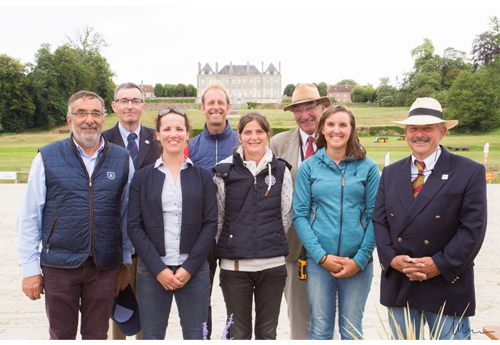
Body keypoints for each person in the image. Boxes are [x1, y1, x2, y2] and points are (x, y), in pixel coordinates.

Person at [16, 90, 134, 339]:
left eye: (95, 113)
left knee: (97, 336)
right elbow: (30, 216)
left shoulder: (122, 159)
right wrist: (29, 268)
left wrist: (124, 262)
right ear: (69, 120)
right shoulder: (47, 157)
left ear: (104, 118)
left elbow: (126, 215)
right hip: (59, 265)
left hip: (104, 266)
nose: (89, 119)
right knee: (61, 335)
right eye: (81, 113)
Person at [372, 97, 487, 340]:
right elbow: (380, 221)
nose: (420, 134)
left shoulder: (469, 171)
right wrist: (392, 260)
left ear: (442, 132)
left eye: (428, 128)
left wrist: (439, 265)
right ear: (405, 132)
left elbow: (472, 229)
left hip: (446, 281)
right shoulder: (391, 173)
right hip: (401, 281)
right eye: (413, 128)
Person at [127, 107, 218, 339]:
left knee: (197, 336)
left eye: (179, 128)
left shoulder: (203, 176)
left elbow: (210, 224)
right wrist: (159, 269)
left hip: (194, 271)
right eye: (167, 129)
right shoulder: (142, 177)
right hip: (153, 272)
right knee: (152, 336)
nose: (173, 134)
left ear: (188, 133)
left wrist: (189, 268)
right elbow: (134, 226)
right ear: (157, 134)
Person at [293, 105, 380, 339]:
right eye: (330, 124)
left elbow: (375, 218)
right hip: (318, 261)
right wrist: (321, 256)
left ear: (352, 130)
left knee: (351, 330)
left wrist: (359, 260)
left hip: (358, 263)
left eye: (343, 125)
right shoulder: (309, 167)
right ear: (322, 129)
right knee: (320, 328)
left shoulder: (369, 168)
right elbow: (299, 215)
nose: (336, 130)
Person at [213, 112, 293, 339]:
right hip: (235, 268)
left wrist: (269, 238)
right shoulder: (223, 172)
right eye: (248, 132)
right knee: (238, 334)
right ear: (240, 136)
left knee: (267, 333)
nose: (254, 137)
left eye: (259, 131)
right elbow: (219, 217)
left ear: (268, 135)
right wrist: (233, 243)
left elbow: (285, 214)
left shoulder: (281, 170)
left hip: (273, 266)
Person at [270, 83, 330, 339]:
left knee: (330, 316)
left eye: (310, 108)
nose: (305, 115)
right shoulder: (278, 143)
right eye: (298, 110)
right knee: (300, 318)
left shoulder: (339, 136)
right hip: (294, 245)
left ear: (322, 107)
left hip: (333, 244)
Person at [103, 82, 160, 340]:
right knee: (119, 308)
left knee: (148, 309)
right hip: (113, 239)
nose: (129, 105)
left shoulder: (157, 140)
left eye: (135, 100)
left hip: (150, 240)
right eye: (124, 100)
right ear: (114, 106)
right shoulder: (101, 141)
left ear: (143, 106)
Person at [184, 82, 238, 338]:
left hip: (235, 234)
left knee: (234, 300)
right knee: (200, 298)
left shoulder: (243, 141)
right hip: (200, 235)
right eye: (210, 103)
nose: (216, 107)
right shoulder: (191, 147)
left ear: (228, 107)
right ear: (202, 108)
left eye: (221, 103)